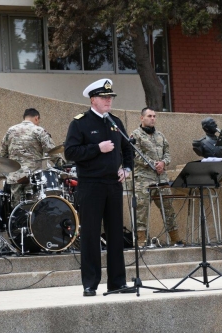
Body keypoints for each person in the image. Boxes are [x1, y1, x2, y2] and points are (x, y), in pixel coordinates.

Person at [64, 78, 133, 297]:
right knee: (92, 236)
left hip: (113, 184)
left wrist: (127, 169)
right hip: (91, 186)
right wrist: (97, 148)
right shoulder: (80, 122)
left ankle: (117, 283)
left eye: (110, 97)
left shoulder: (115, 122)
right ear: (93, 99)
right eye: (104, 98)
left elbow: (128, 148)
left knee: (115, 236)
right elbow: (71, 152)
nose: (108, 101)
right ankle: (90, 284)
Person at [131, 107, 180, 247]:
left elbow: (168, 155)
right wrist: (154, 164)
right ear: (142, 118)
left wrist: (164, 163)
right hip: (143, 180)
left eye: (154, 116)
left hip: (161, 179)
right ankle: (141, 241)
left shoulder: (160, 136)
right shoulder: (135, 135)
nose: (152, 118)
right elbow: (136, 155)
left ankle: (175, 239)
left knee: (168, 208)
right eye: (149, 116)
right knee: (142, 210)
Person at [0, 108, 60, 207]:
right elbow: (52, 152)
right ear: (36, 118)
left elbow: (2, 155)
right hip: (32, 178)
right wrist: (63, 165)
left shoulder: (10, 131)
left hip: (15, 178)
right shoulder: (39, 130)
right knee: (33, 208)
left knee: (17, 209)